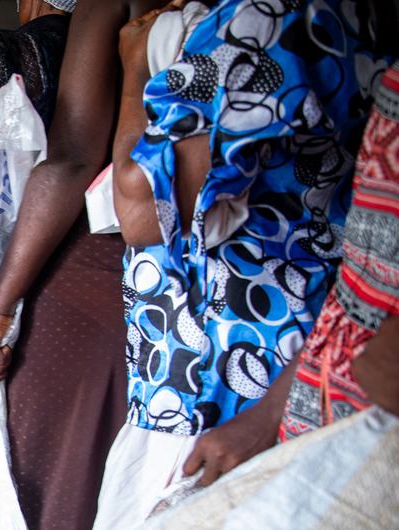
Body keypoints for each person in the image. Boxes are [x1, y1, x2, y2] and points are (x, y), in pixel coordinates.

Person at [96, 0, 394, 528]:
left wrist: (134, 64)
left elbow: (146, 212)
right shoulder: (355, 17)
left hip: (214, 364)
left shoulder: (257, 20)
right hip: (297, 333)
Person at [0, 0, 183, 528]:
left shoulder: (114, 12)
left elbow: (73, 157)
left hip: (110, 281)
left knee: (53, 494)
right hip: (254, 310)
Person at [279, 61, 399, 441]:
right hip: (318, 390)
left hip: (374, 423)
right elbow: (362, 271)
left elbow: (144, 218)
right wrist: (270, 412)